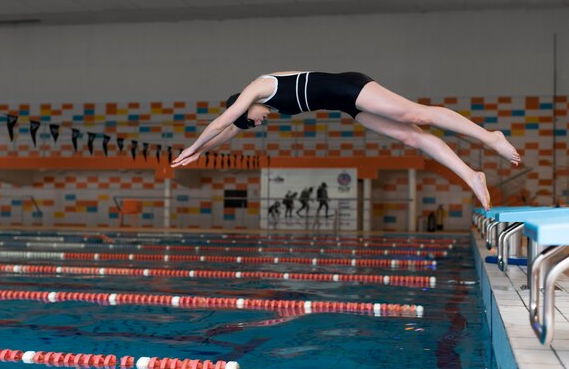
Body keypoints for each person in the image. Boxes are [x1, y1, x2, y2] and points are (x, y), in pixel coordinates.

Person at [171, 71, 521, 210]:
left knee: (415, 115)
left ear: (245, 108)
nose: (260, 124)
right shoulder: (257, 109)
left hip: (351, 87)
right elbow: (226, 133)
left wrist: (189, 146)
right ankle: (471, 175)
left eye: (253, 121)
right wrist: (199, 152)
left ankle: (490, 137)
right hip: (346, 105)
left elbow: (221, 123)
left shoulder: (261, 86)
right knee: (411, 138)